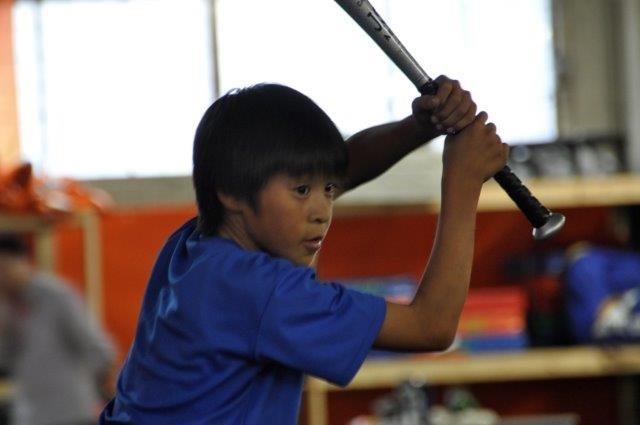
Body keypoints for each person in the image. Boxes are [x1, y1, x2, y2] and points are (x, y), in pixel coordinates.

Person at [100, 76, 508, 424]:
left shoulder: (192, 247)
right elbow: (431, 326)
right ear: (231, 192)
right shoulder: (264, 291)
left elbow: (342, 168)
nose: (321, 211)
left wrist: (419, 127)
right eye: (301, 191)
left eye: (327, 190)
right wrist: (463, 181)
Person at [0, 233, 115, 425]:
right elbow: (6, 361)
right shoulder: (6, 307)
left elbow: (97, 348)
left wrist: (103, 393)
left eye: (3, 269)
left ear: (22, 263)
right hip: (31, 414)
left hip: (71, 412)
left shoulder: (55, 296)